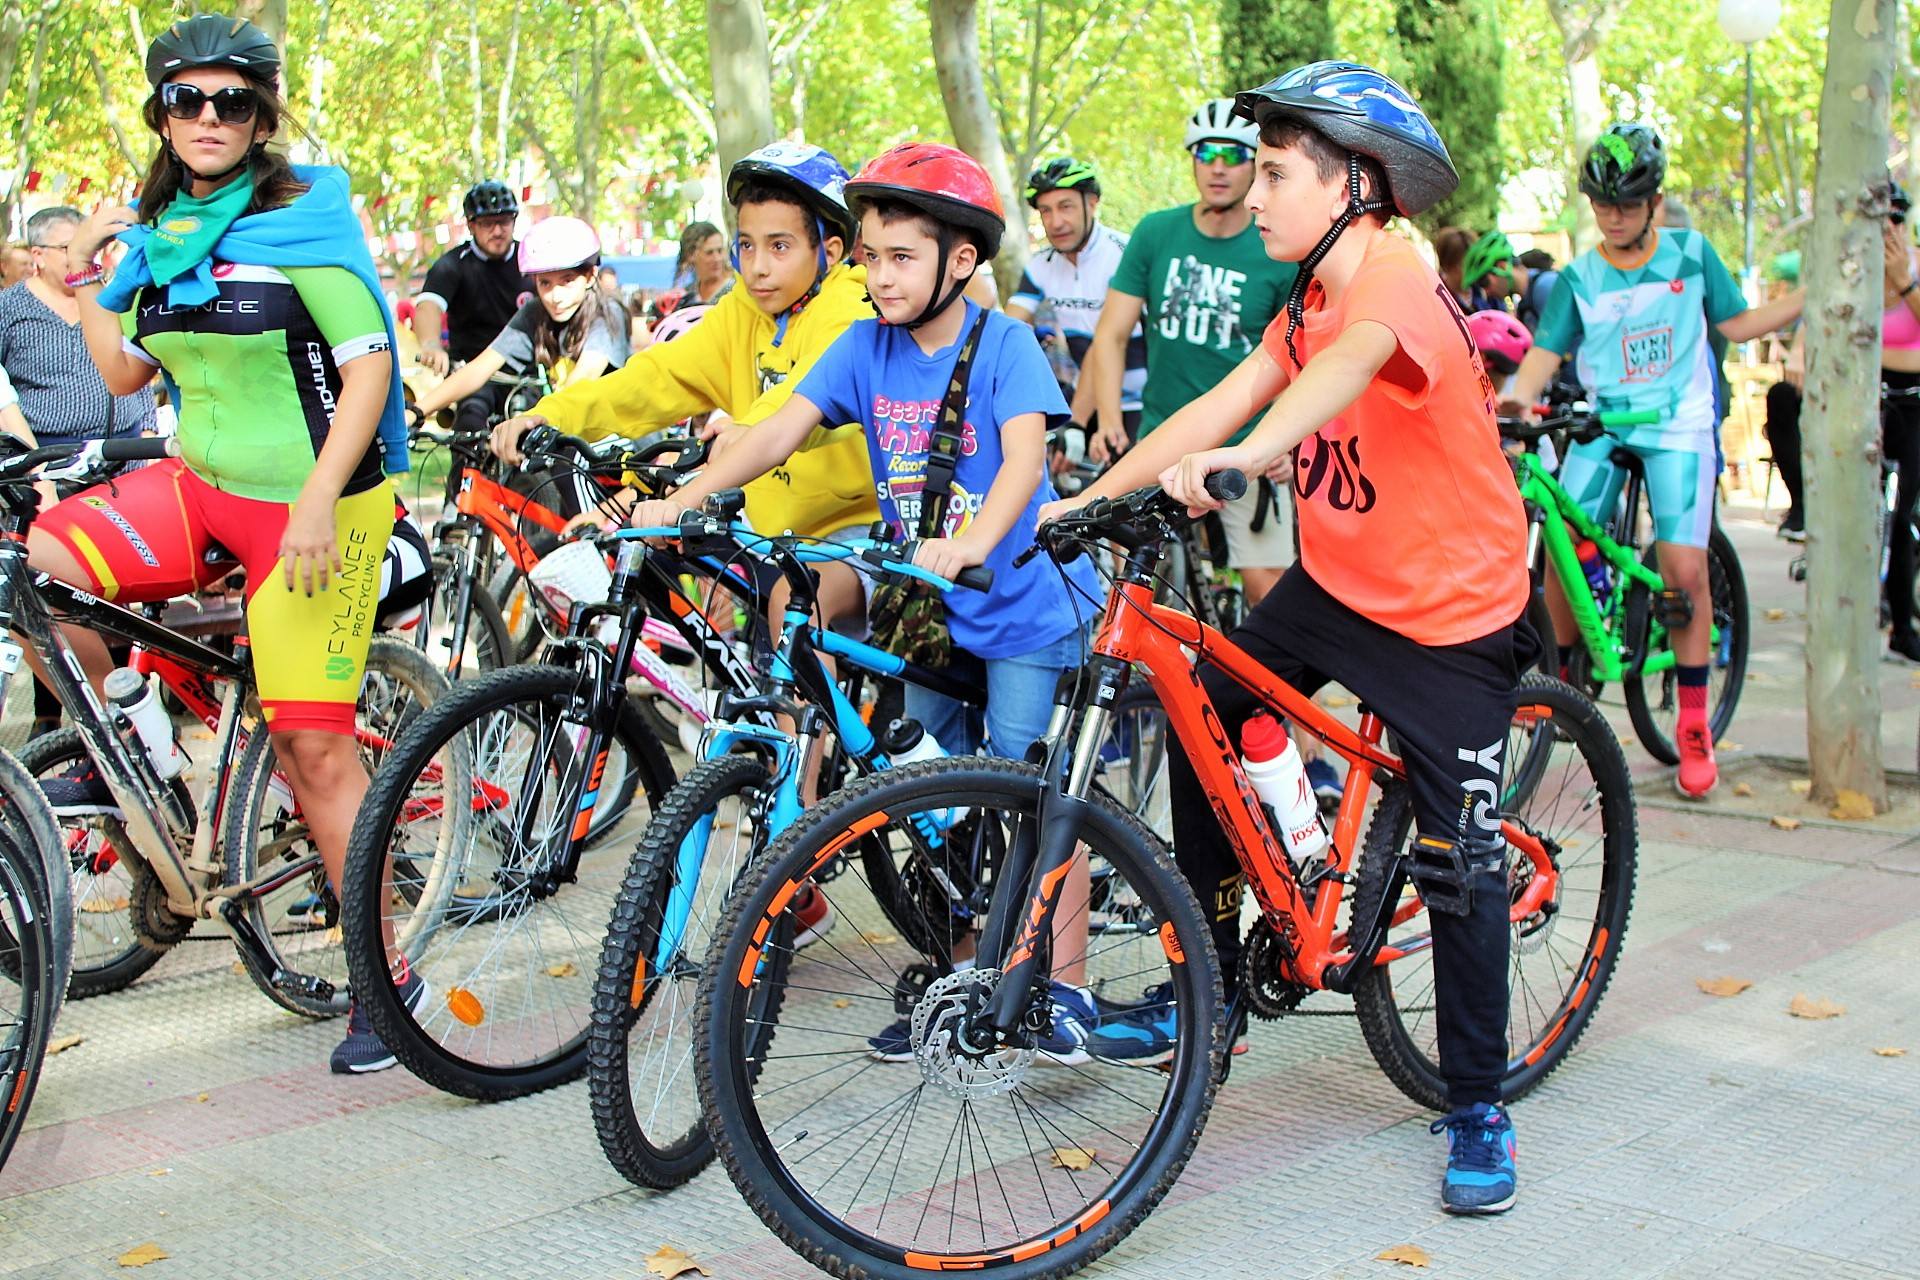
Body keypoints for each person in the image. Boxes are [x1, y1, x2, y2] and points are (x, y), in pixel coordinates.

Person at [1043, 59, 1536, 1215]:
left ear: (1353, 184)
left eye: (1274, 173)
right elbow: (1210, 405)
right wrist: (1084, 502)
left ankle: (1476, 1097)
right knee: (1204, 706)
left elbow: (1348, 372)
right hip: (1340, 582)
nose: (1252, 196)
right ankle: (1217, 975)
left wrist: (1259, 456)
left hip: (1451, 614)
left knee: (1461, 866)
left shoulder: (1396, 276)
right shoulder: (1306, 293)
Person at [628, 141, 1105, 1063]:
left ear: (961, 261)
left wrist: (971, 541)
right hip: (929, 611)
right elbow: (773, 434)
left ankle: (1066, 989)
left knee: (1033, 793)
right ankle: (962, 981)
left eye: (900, 258)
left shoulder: (1002, 344)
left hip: (1021, 609)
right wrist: (678, 504)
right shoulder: (863, 348)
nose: (877, 277)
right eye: (870, 257)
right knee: (935, 801)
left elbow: (1023, 463)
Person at [39, 14, 413, 1074]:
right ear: (162, 112)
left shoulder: (305, 214)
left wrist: (313, 499)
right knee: (45, 573)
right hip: (197, 486)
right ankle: (143, 751)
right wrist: (105, 280)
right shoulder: (164, 225)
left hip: (320, 504)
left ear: (262, 115)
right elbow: (119, 374)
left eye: (231, 101)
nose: (208, 118)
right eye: (186, 100)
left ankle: (385, 979)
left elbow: (371, 368)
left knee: (312, 746)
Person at [1502, 122, 1804, 797]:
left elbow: (1739, 325)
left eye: (1627, 205)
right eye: (1602, 205)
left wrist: (1812, 300)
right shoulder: (1579, 275)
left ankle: (1694, 725)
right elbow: (1541, 360)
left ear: (1655, 203)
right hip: (1604, 423)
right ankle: (1567, 680)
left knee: (1682, 570)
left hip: (1678, 426)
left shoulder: (1692, 255)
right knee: (1559, 536)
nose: (1613, 218)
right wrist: (1515, 401)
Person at [490, 141, 880, 646]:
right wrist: (551, 416)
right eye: (746, 244)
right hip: (769, 533)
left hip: (856, 529)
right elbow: (653, 377)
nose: (756, 266)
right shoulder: (742, 311)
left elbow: (786, 406)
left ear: (828, 250)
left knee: (794, 610)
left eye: (779, 246)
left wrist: (729, 442)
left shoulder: (851, 309)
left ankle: (806, 729)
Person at [1084, 98, 1298, 608]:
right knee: (1129, 586)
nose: (1218, 166)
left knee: (1270, 594)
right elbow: (1111, 333)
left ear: (1255, 166)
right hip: (1162, 436)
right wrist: (1110, 417)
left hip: (1248, 449)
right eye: (1205, 154)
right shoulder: (1157, 233)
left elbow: (1302, 355)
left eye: (1232, 153)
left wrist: (1289, 442)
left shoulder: (1276, 244)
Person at [0, 207, 161, 737]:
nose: (81, 259)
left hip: (124, 463)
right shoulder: (10, 311)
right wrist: (32, 478)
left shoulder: (109, 300)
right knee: (51, 593)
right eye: (69, 249)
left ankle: (128, 716)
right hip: (50, 471)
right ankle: (61, 723)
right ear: (39, 257)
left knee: (118, 599)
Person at [405, 217, 629, 425]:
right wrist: (417, 411)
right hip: (569, 428)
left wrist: (529, 421)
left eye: (567, 281)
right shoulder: (536, 312)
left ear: (590, 276)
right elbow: (478, 369)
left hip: (621, 443)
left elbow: (584, 378)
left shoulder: (608, 312)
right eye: (545, 283)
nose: (555, 296)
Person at [1006, 157, 1145, 445]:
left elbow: (1105, 342)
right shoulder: (1040, 266)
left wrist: (1077, 422)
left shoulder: (1125, 254)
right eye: (1046, 211)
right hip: (1087, 399)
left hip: (1142, 404)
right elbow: (1008, 330)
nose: (1056, 222)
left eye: (1066, 206)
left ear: (1091, 203)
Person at [412, 180, 529, 435]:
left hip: (526, 376)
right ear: (471, 225)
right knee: (469, 427)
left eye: (505, 222)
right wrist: (431, 344)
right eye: (488, 224)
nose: (497, 231)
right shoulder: (452, 265)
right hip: (472, 374)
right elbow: (429, 306)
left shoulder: (530, 259)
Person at [1879, 181, 1920, 660]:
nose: (1887, 229)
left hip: (1913, 402)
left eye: (1895, 219)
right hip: (1870, 397)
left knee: (1903, 512)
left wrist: (1904, 283)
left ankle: (1903, 628)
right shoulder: (1854, 274)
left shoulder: (1912, 268)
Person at [1461, 230, 1528, 314]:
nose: (1486, 292)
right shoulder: (1528, 299)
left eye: (1484, 282)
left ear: (1502, 267)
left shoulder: (1543, 289)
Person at [671, 219, 729, 304]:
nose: (717, 258)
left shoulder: (736, 292)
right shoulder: (687, 296)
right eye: (709, 253)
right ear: (690, 255)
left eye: (720, 251)